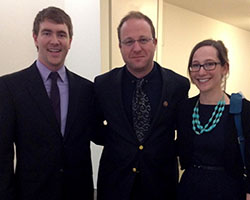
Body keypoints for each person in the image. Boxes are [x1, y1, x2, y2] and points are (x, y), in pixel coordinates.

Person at [0, 6, 94, 200]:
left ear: (70, 41)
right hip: (30, 194)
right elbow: (3, 153)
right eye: (47, 33)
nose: (55, 41)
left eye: (62, 34)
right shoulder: (10, 87)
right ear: (35, 38)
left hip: (78, 193)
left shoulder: (86, 89)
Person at [94, 11, 190, 200]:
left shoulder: (178, 85)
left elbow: (185, 133)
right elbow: (93, 129)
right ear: (120, 46)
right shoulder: (103, 85)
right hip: (115, 186)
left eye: (143, 40)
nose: (136, 48)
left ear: (154, 42)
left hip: (162, 187)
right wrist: (121, 144)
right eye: (129, 42)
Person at [177, 39, 250, 200]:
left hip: (229, 191)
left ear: (225, 68)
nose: (201, 72)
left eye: (209, 64)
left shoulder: (243, 110)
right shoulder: (185, 109)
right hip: (189, 190)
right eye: (195, 65)